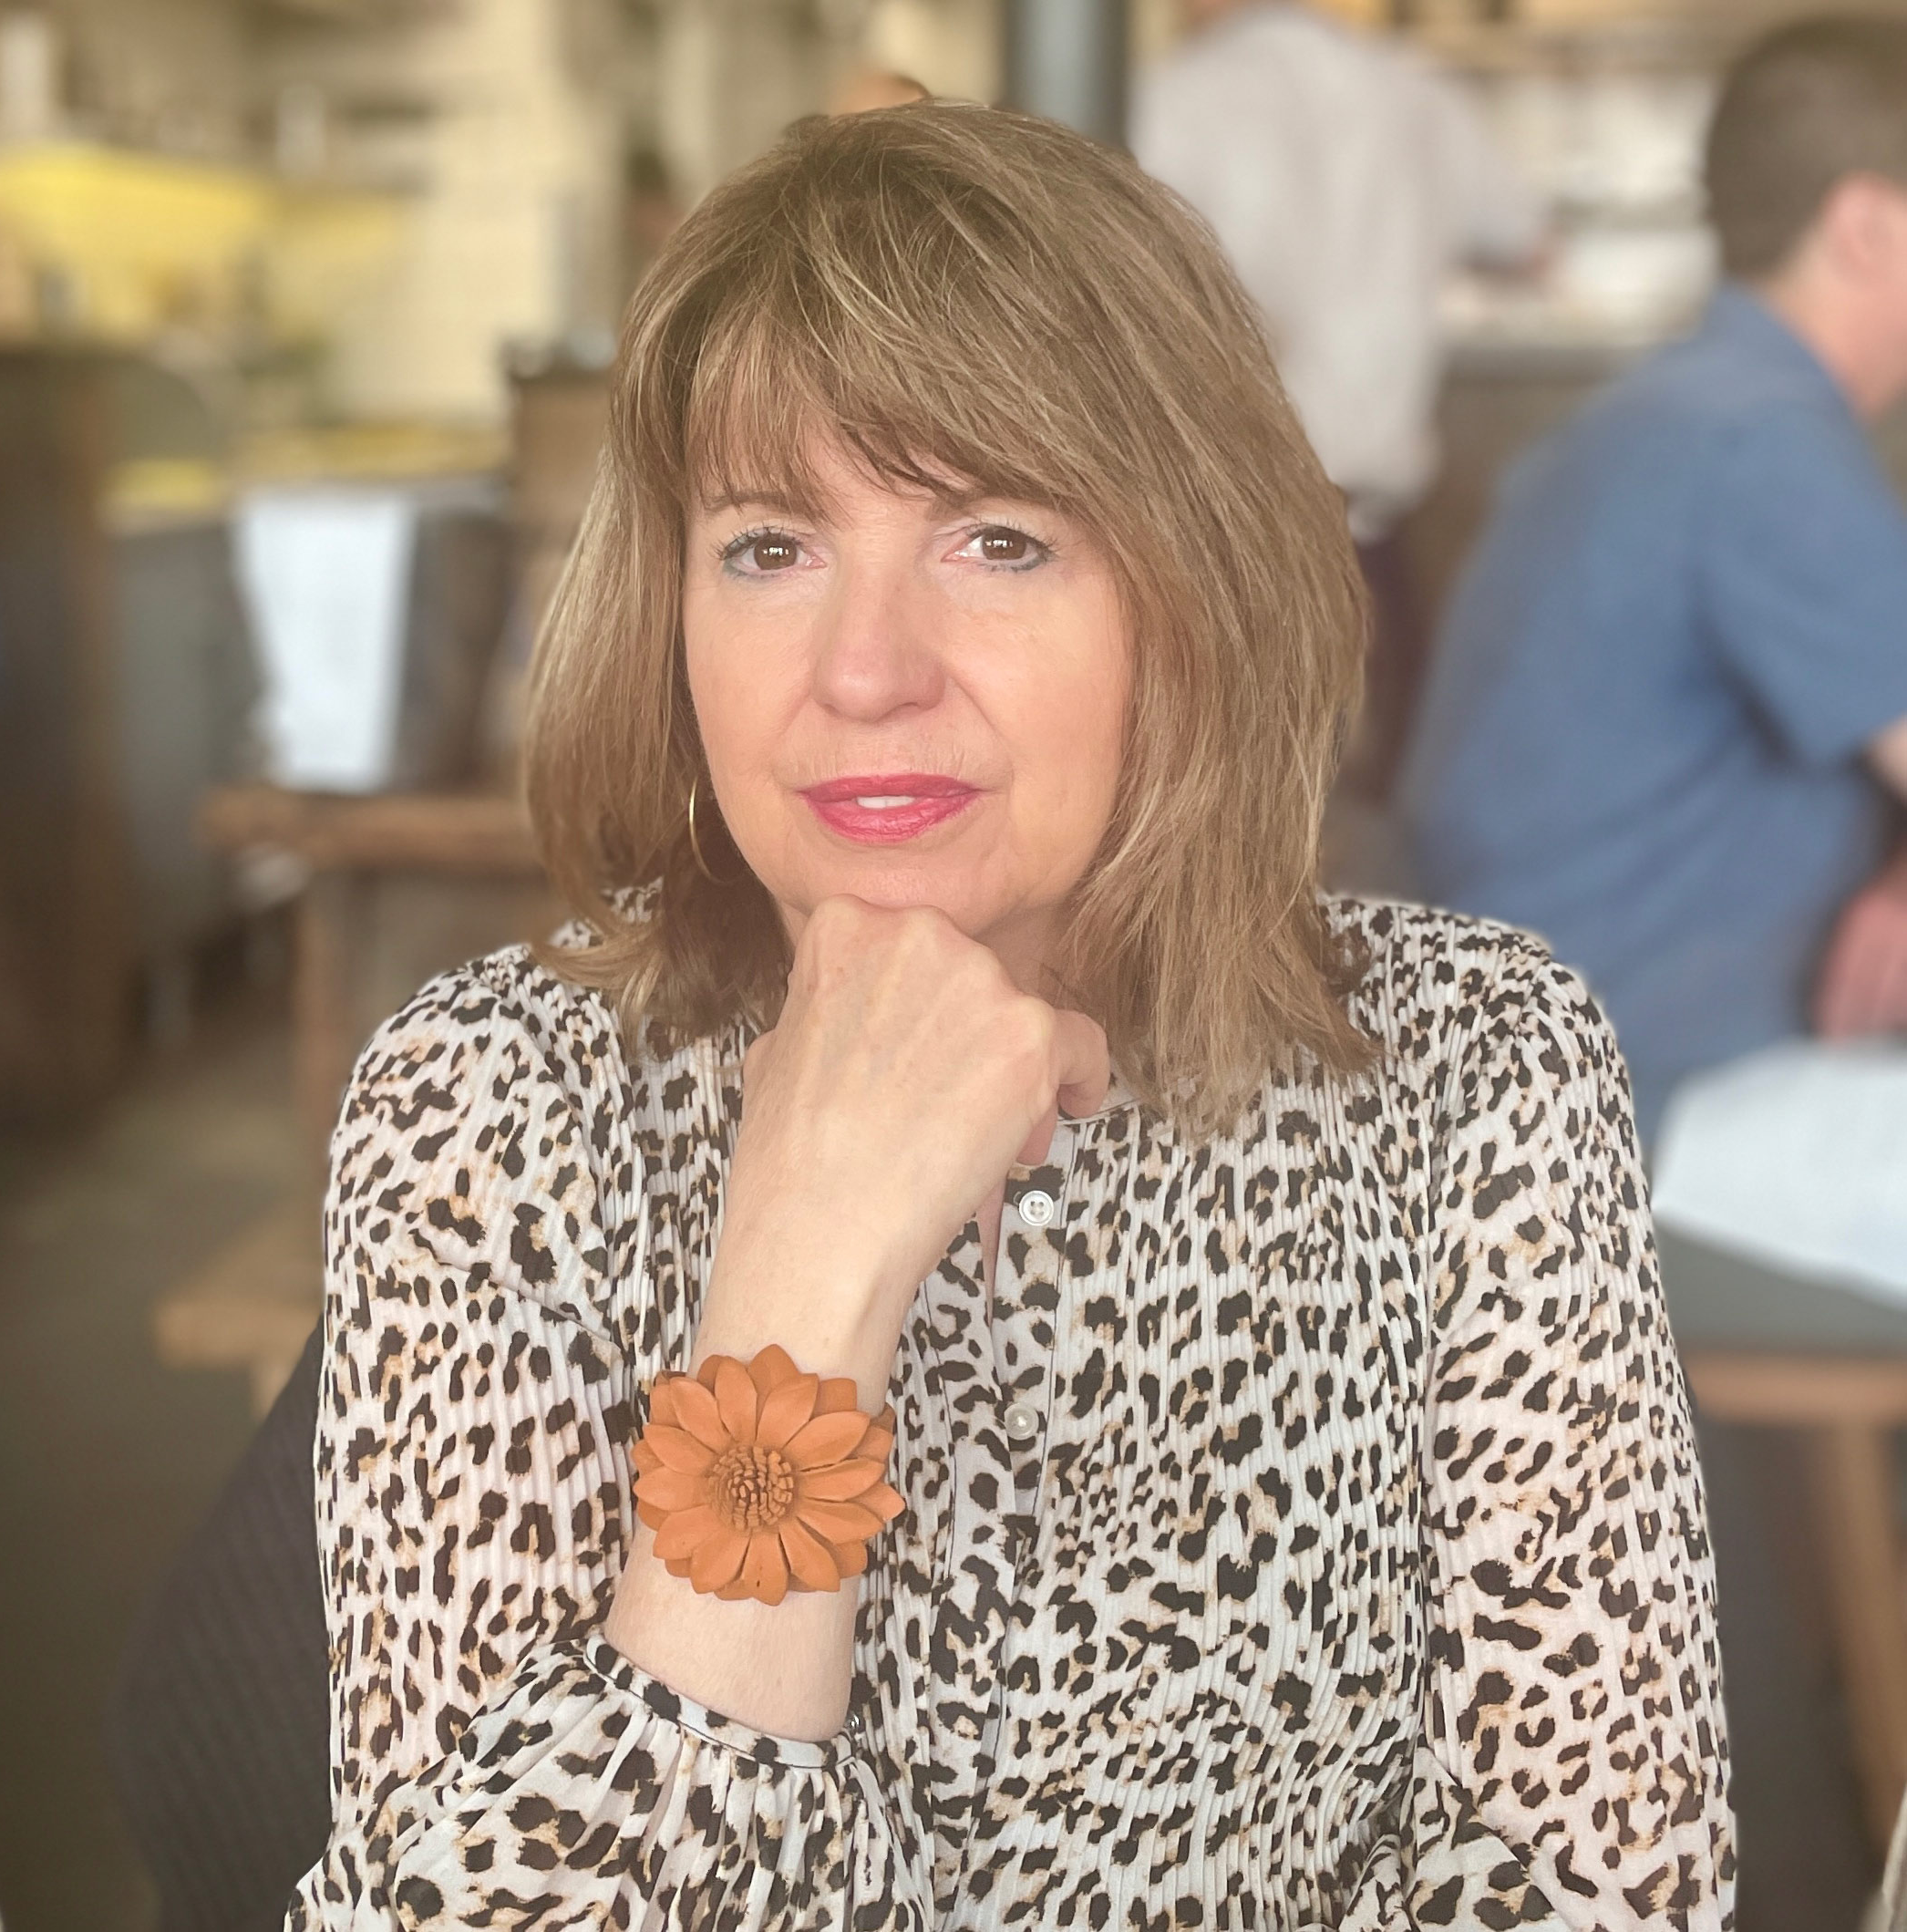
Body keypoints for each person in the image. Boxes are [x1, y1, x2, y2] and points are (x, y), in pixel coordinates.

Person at [287, 102, 1730, 1928]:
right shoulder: (495, 1112)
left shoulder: (1471, 1065)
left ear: (1189, 589)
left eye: (998, 539)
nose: (866, 670)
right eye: (769, 547)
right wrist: (800, 1294)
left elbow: (1599, 1885)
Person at [1399, 16, 1907, 1137]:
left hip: (1516, 1075)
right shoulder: (1763, 443)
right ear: (1866, 226)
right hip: (1632, 1113)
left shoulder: (1671, 411)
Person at [1131, 0, 1542, 795]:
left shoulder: (1170, 98)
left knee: (1225, 825)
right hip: (1378, 542)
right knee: (1392, 828)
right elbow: (1533, 247)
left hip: (1229, 536)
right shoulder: (1415, 95)